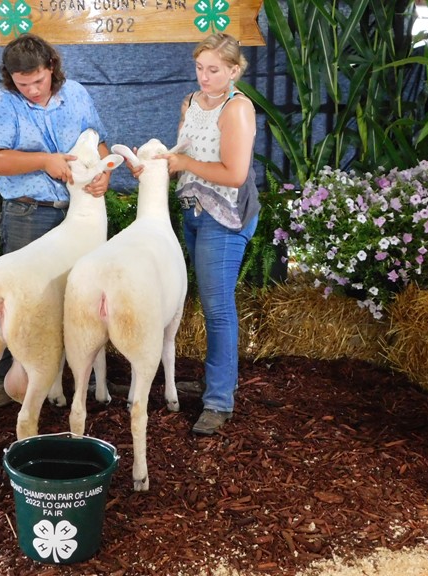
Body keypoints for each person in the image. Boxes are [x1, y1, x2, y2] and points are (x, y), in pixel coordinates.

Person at [0, 33, 112, 407]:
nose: (33, 90)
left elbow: (98, 141)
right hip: (29, 214)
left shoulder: (77, 94)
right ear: (10, 78)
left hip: (79, 216)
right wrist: (43, 160)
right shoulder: (3, 104)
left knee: (78, 296)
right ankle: (10, 383)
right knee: (23, 298)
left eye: (38, 80)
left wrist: (104, 172)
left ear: (51, 66)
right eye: (23, 84)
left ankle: (74, 378)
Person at [155, 33, 260, 435]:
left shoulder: (238, 109)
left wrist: (183, 163)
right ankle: (218, 382)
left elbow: (234, 174)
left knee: (218, 308)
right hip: (194, 212)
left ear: (234, 70)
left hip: (225, 216)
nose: (204, 76)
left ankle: (218, 401)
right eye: (200, 68)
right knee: (211, 303)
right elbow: (183, 153)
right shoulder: (191, 102)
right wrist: (159, 163)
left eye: (214, 69)